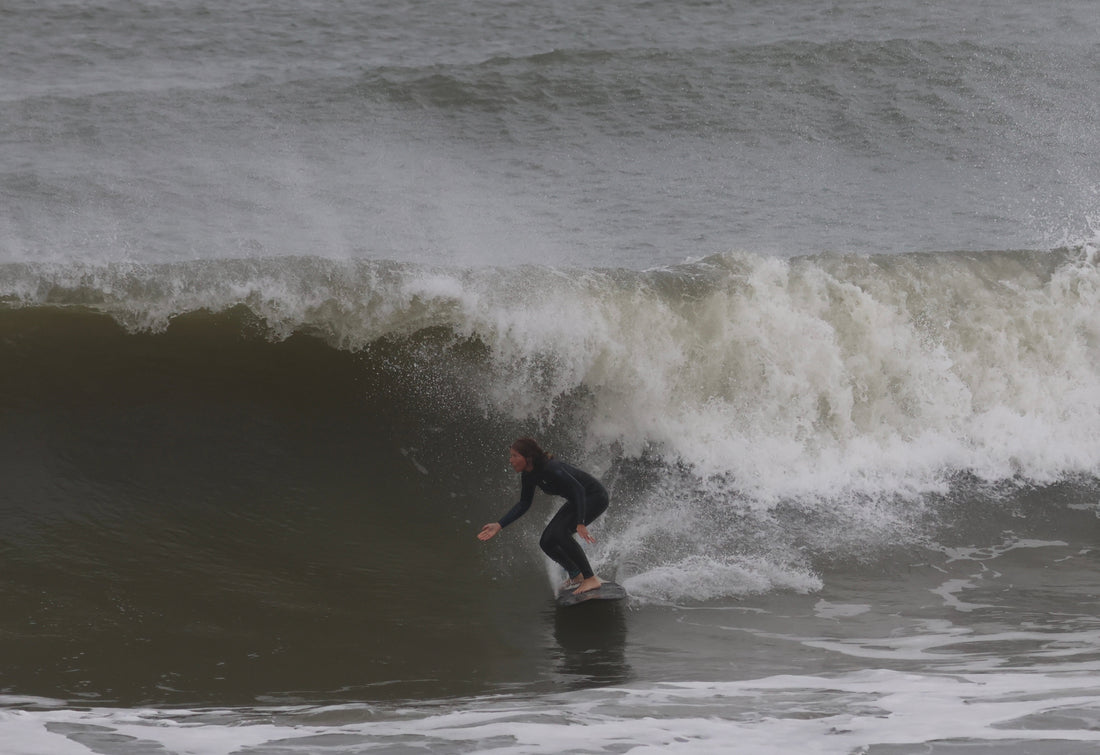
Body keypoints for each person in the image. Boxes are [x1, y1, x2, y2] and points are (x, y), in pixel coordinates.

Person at [478, 438, 609, 595]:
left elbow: (579, 489)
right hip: (577, 500)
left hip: (595, 497)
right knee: (546, 542)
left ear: (528, 457)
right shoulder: (528, 475)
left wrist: (580, 523)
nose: (510, 460)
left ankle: (590, 579)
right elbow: (524, 503)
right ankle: (576, 575)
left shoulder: (551, 468)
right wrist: (499, 524)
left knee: (561, 534)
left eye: (514, 456)